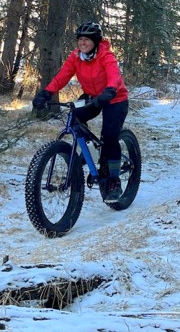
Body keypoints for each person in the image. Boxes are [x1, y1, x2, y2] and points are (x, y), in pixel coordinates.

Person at [32, 21, 130, 202]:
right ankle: (90, 152)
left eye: (87, 40)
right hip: (93, 96)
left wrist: (110, 90)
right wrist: (46, 93)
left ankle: (114, 180)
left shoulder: (106, 55)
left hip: (115, 98)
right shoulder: (76, 57)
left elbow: (114, 75)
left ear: (95, 42)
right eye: (80, 39)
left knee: (109, 136)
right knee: (75, 116)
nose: (82, 43)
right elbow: (62, 76)